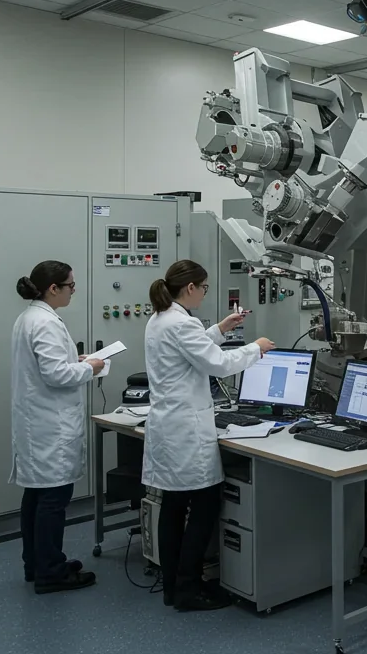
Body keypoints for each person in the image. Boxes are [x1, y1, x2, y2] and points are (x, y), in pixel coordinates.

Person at [142, 260, 275, 611]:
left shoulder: (161, 318)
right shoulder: (180, 323)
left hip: (170, 427)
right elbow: (217, 363)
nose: (205, 293)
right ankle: (189, 589)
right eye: (204, 287)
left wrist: (220, 328)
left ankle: (174, 586)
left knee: (172, 508)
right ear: (190, 289)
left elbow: (192, 347)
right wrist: (257, 348)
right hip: (184, 429)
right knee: (203, 507)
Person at [11, 260, 105, 593]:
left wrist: (76, 362)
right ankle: (51, 572)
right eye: (70, 285)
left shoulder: (30, 318)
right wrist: (89, 368)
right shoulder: (45, 323)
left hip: (37, 423)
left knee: (36, 497)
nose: (73, 290)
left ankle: (36, 564)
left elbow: (46, 367)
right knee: (53, 500)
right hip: (50, 425)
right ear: (54, 289)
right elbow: (55, 375)